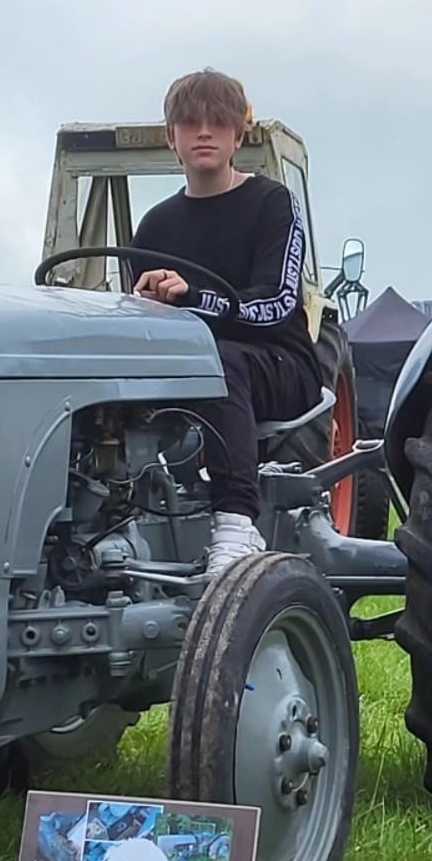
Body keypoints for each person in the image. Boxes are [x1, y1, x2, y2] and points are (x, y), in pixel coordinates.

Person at [130, 68, 322, 575]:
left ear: (239, 134)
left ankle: (237, 522)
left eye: (218, 122)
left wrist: (194, 299)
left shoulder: (273, 204)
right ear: (172, 138)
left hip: (279, 362)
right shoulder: (154, 226)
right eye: (190, 123)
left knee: (221, 360)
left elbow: (277, 303)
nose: (204, 133)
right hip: (189, 366)